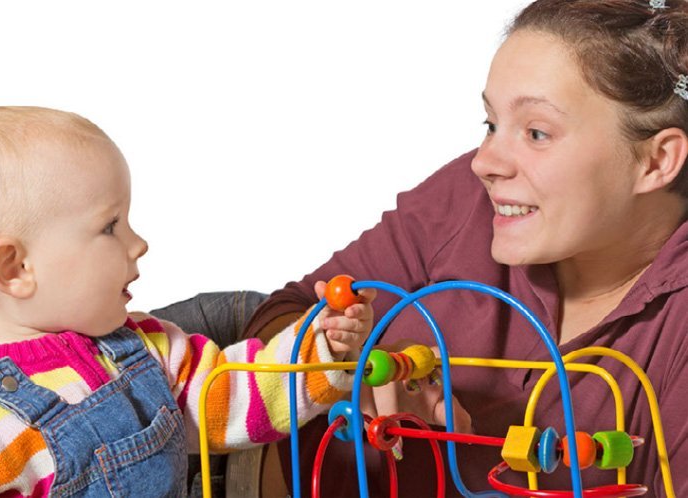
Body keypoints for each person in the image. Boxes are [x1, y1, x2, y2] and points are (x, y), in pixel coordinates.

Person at [241, 0, 688, 496]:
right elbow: (285, 312)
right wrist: (340, 368)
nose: (485, 162)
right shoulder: (469, 201)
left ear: (656, 161)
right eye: (490, 124)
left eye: (536, 132)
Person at [0, 106, 377, 497]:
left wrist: (318, 348)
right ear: (17, 268)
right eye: (110, 226)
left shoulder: (146, 349)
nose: (138, 244)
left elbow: (233, 397)